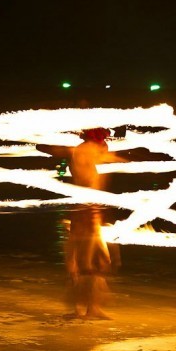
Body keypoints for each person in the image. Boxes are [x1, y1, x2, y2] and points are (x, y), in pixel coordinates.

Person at [38, 127, 127, 319]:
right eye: (104, 143)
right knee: (91, 260)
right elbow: (91, 178)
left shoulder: (82, 150)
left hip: (88, 207)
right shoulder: (87, 150)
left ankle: (85, 307)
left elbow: (44, 148)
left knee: (87, 259)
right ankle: (85, 308)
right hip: (88, 209)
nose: (105, 147)